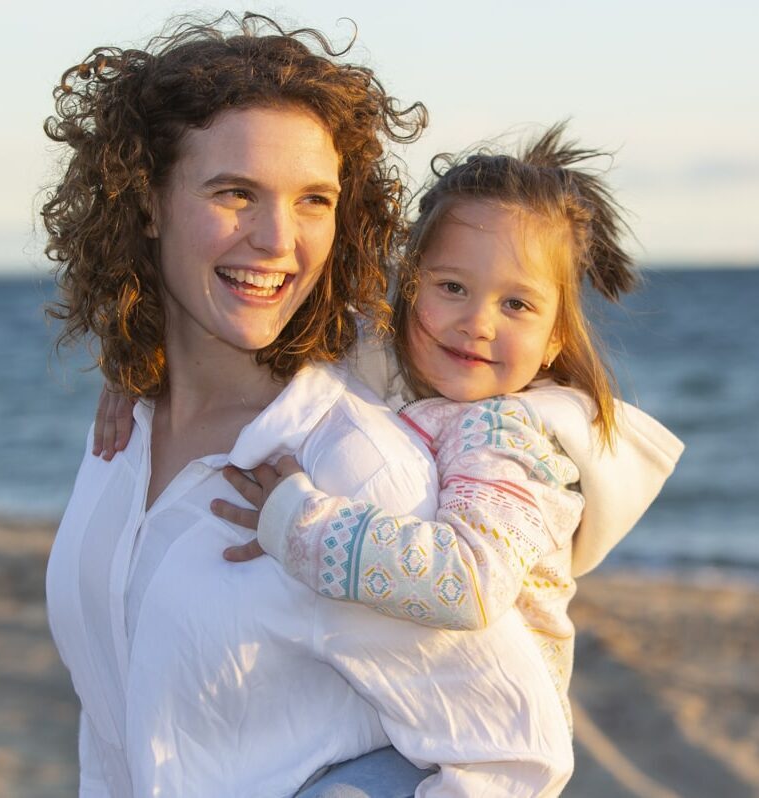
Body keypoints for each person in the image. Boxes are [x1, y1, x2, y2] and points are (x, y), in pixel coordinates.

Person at [44, 13, 576, 798]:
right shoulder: (123, 429)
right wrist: (132, 366)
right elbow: (116, 726)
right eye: (235, 193)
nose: (276, 239)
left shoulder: (350, 469)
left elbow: (517, 753)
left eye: (313, 201)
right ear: (147, 201)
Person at [206, 126, 685, 728]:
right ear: (409, 288)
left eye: (517, 305)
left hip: (482, 739)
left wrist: (296, 524)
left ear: (555, 337)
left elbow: (471, 582)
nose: (477, 323)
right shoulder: (403, 373)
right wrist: (137, 374)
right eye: (452, 287)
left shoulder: (506, 435)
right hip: (421, 712)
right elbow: (275, 338)